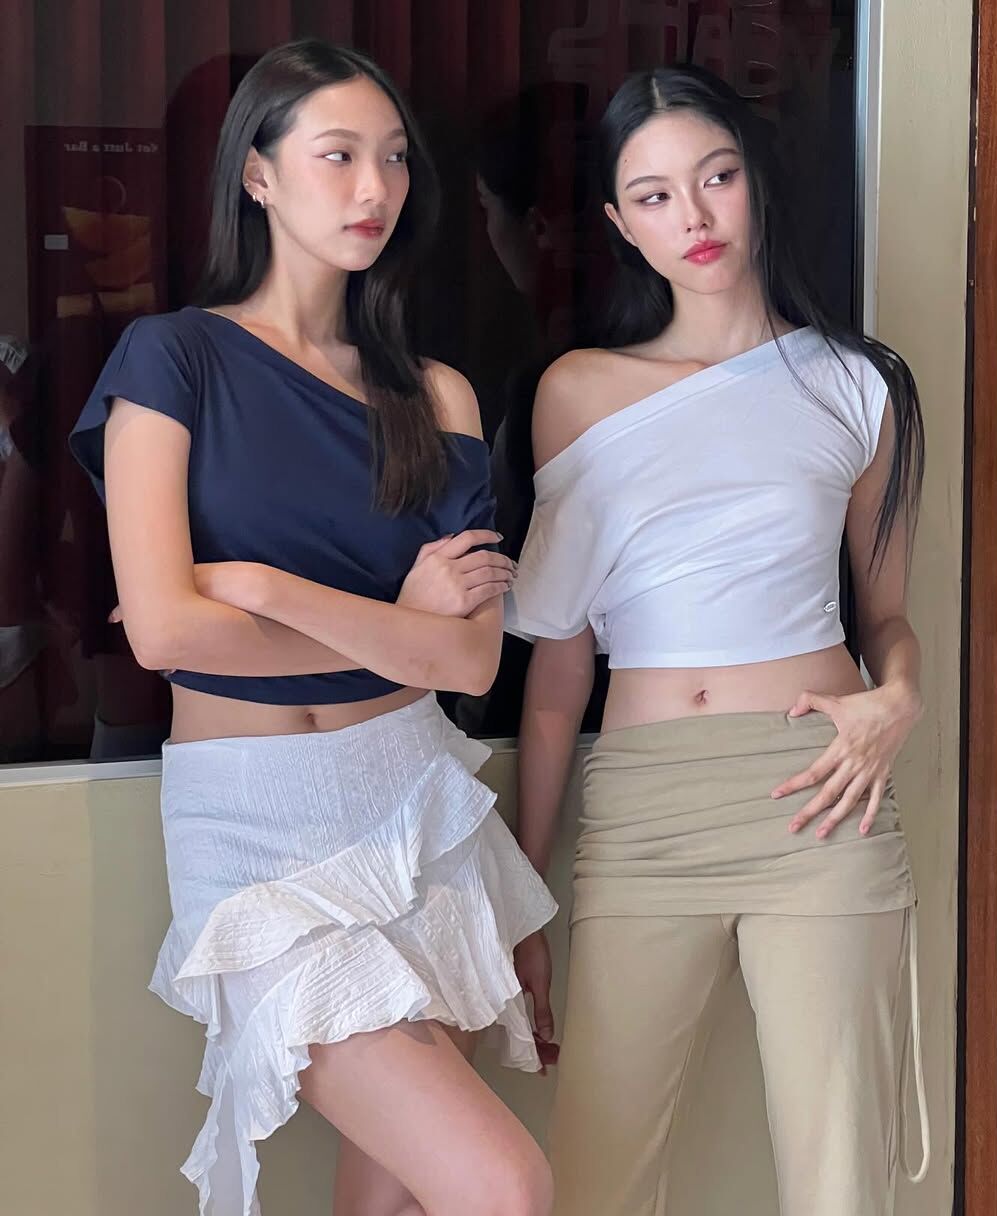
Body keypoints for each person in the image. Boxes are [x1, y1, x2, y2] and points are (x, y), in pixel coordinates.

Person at [70, 38, 556, 1216]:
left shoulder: (436, 393)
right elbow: (166, 632)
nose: (374, 187)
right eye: (338, 155)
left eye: (394, 159)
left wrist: (269, 589)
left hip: (414, 802)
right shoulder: (173, 358)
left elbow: (469, 657)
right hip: (256, 829)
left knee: (393, 1201)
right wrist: (399, 628)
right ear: (258, 174)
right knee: (505, 1186)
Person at [507, 65, 929, 1216]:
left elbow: (887, 617)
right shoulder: (578, 391)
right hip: (645, 809)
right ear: (619, 223)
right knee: (597, 1179)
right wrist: (521, 892)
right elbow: (557, 673)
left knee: (842, 1180)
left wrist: (899, 697)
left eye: (716, 178)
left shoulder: (856, 384)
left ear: (754, 182)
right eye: (653, 196)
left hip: (823, 796)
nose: (692, 216)